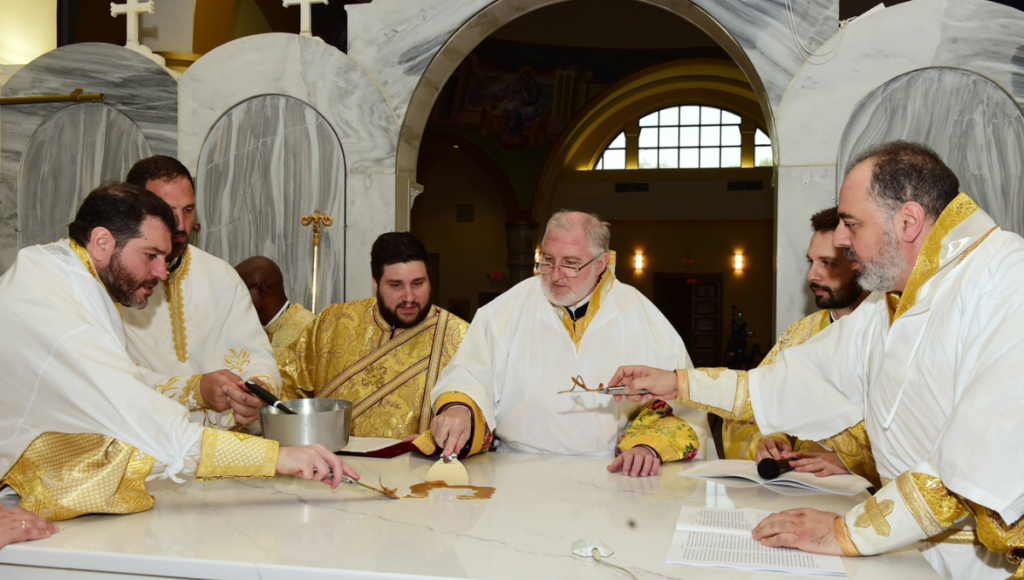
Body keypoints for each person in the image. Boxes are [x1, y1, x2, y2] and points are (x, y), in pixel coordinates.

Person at [610, 141, 1023, 579]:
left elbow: (971, 463)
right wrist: (677, 383)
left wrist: (846, 533)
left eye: (851, 223)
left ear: (908, 221)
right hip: (909, 549)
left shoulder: (1005, 279)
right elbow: (791, 380)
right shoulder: (887, 306)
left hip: (985, 562)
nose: (843, 240)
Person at [0, 183, 358, 529]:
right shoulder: (56, 299)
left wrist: (197, 390)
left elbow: (125, 382)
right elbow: (144, 421)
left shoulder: (69, 276)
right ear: (102, 241)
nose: (161, 271)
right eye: (150, 255)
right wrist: (280, 457)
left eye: (164, 257)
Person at [427, 210, 704, 477]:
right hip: (514, 471)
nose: (555, 275)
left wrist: (647, 446)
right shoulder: (506, 310)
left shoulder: (642, 317)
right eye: (547, 260)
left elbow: (680, 404)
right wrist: (459, 409)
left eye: (570, 264)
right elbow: (470, 373)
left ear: (601, 263)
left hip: (612, 474)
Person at [122, 155, 281, 430]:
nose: (181, 225)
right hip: (147, 442)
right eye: (168, 211)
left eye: (188, 210)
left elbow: (256, 354)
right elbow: (112, 380)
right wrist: (197, 389)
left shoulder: (221, 276)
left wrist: (258, 391)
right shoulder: (115, 281)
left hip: (227, 442)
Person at [723, 207, 878, 488]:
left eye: (827, 263)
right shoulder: (798, 336)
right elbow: (749, 409)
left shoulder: (894, 332)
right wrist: (770, 440)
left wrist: (854, 461)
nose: (811, 275)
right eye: (811, 261)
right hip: (793, 496)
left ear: (860, 263)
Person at [279, 232, 469, 441]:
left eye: (417, 283)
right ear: (376, 283)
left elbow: (485, 416)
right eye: (396, 285)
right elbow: (287, 389)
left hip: (417, 470)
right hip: (330, 467)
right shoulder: (331, 322)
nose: (409, 297)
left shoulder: (461, 337)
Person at [235, 256, 315, 378]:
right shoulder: (249, 331)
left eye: (239, 292)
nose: (234, 300)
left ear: (262, 292)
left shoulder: (309, 328)